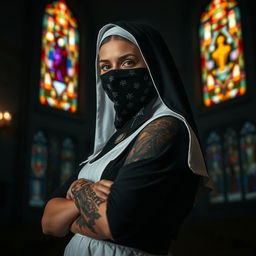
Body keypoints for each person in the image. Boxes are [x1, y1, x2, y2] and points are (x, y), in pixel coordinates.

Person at [41, 20, 214, 256]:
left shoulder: (165, 128)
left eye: (128, 62)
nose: (115, 75)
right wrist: (91, 205)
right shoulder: (114, 139)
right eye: (105, 67)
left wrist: (79, 188)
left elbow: (114, 223)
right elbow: (48, 223)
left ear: (153, 66)